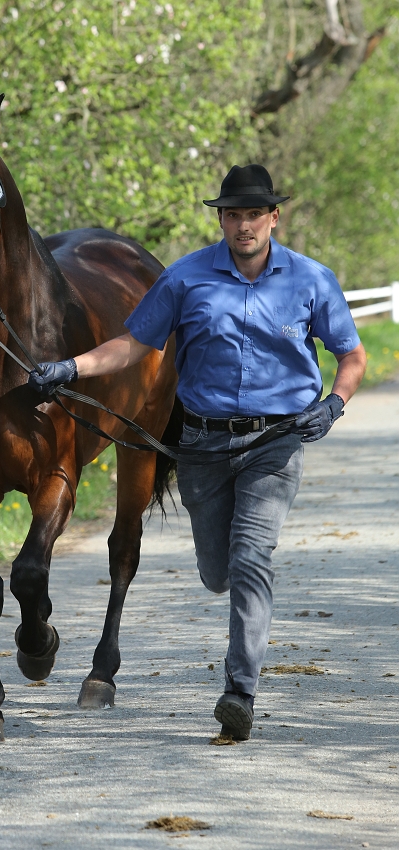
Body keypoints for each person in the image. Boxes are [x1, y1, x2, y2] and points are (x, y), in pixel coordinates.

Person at [28, 164, 367, 740]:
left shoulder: (311, 280)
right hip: (203, 445)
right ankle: (237, 643)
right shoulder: (186, 278)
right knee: (216, 571)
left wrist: (333, 403)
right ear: (221, 218)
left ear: (273, 217)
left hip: (276, 442)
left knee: (250, 557)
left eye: (254, 214)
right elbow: (135, 343)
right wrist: (71, 367)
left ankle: (240, 690)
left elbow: (352, 357)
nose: (243, 225)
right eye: (232, 214)